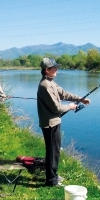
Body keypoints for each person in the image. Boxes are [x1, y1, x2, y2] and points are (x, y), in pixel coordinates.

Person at [37, 58, 91, 187]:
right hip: (50, 123)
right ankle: (51, 180)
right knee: (52, 152)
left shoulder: (51, 83)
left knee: (54, 151)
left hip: (54, 122)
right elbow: (56, 108)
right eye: (54, 68)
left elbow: (63, 94)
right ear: (47, 70)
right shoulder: (45, 85)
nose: (57, 70)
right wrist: (70, 107)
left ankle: (53, 176)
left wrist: (79, 99)